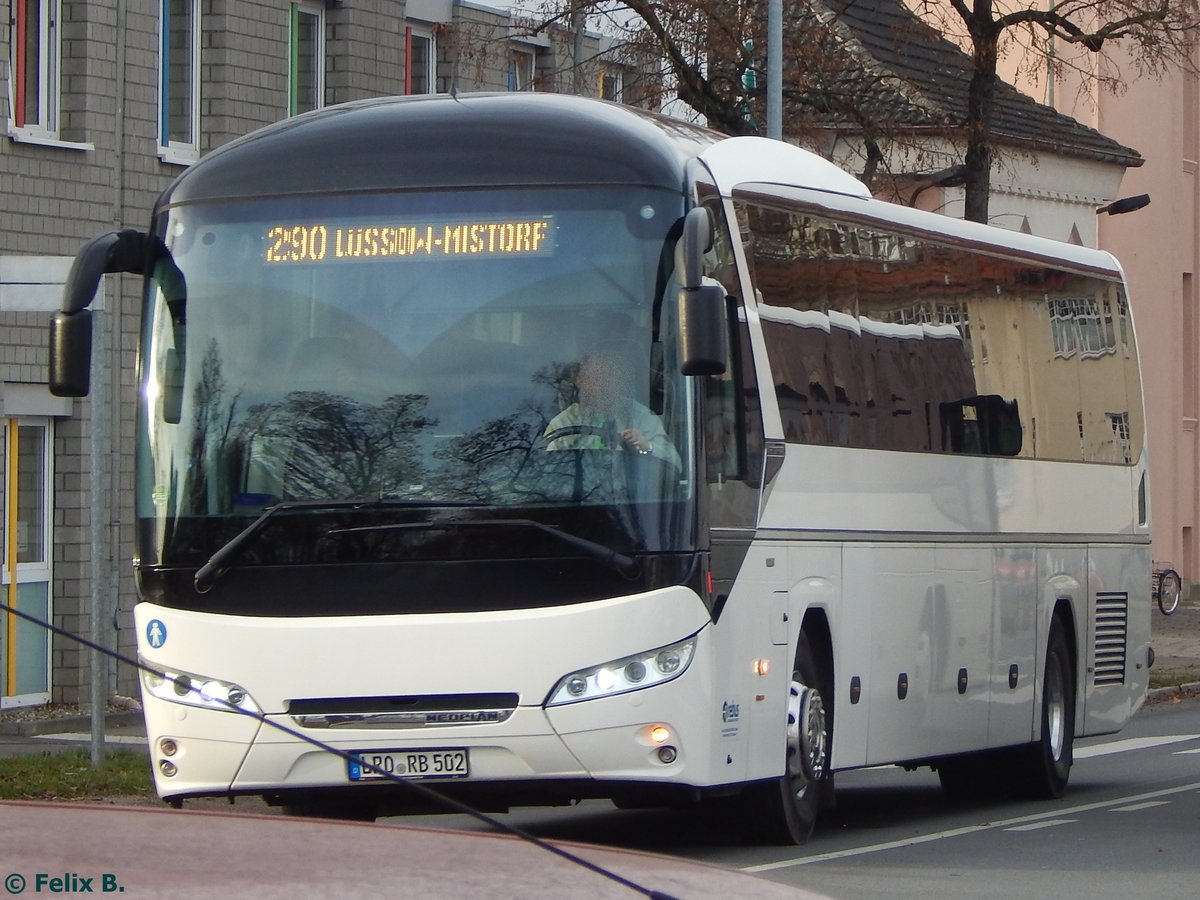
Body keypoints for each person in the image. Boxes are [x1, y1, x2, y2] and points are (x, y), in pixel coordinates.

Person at [544, 349, 680, 469]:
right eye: (592, 378)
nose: (600, 385)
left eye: (607, 378)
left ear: (618, 382)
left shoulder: (641, 416)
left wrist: (646, 447)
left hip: (631, 494)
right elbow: (547, 468)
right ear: (579, 382)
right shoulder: (564, 422)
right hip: (574, 494)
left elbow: (675, 465)